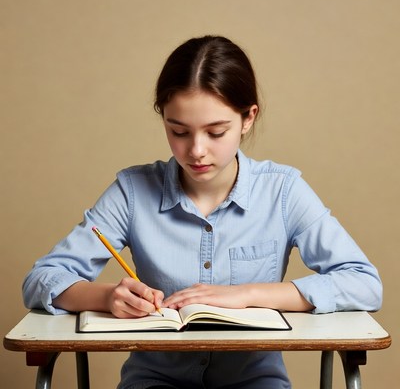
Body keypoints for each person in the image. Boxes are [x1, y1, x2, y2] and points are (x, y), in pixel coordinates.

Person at [23, 35, 382, 389]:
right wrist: (106, 297)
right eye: (179, 131)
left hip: (255, 381)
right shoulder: (132, 192)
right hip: (154, 380)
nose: (196, 150)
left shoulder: (283, 191)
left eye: (216, 132)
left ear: (247, 118)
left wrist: (248, 295)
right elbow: (43, 278)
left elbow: (364, 284)